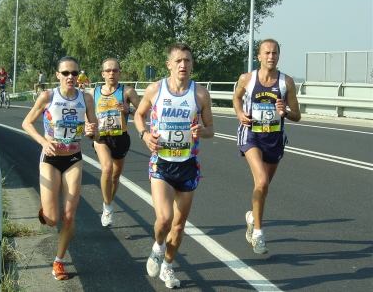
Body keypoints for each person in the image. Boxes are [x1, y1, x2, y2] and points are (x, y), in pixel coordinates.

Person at [134, 42, 215, 288]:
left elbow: (211, 129)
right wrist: (144, 135)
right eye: (178, 60)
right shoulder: (155, 89)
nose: (183, 65)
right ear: (169, 64)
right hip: (161, 163)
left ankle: (167, 267)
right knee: (165, 218)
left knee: (179, 227)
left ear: (192, 64)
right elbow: (139, 115)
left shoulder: (200, 93)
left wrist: (203, 130)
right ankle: (158, 247)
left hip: (188, 165)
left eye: (187, 60)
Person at [22, 56, 99, 280]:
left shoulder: (86, 99)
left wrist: (91, 130)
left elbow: (93, 130)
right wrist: (44, 142)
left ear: (78, 76)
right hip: (51, 159)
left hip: (74, 158)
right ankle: (46, 213)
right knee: (53, 219)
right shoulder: (48, 96)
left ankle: (59, 262)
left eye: (74, 73)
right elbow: (27, 123)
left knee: (68, 215)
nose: (70, 77)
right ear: (58, 75)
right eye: (65, 73)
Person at [232, 38, 301, 255]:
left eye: (275, 53)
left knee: (264, 186)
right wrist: (240, 113)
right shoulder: (247, 79)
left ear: (279, 56)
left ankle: (252, 217)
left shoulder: (286, 82)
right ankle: (259, 234)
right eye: (267, 53)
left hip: (274, 138)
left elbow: (297, 115)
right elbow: (236, 98)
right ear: (259, 56)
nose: (271, 57)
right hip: (252, 135)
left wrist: (285, 112)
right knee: (260, 181)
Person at [88, 58, 141, 227]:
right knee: (107, 169)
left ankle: (109, 201)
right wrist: (88, 126)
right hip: (101, 137)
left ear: (120, 73)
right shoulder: (93, 93)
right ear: (103, 74)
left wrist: (128, 110)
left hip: (121, 137)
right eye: (108, 70)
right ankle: (107, 207)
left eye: (115, 70)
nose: (112, 73)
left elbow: (144, 112)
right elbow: (85, 112)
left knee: (115, 176)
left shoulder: (127, 92)